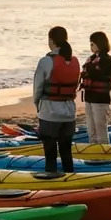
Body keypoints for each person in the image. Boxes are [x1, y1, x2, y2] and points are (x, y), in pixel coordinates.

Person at [33, 26, 80, 175]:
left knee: (50, 151)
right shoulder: (74, 60)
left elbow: (37, 88)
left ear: (51, 41)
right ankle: (70, 176)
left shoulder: (46, 61)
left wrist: (38, 106)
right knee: (66, 151)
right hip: (69, 112)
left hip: (49, 112)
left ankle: (51, 177)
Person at [79, 31, 111, 144]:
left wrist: (87, 71)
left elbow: (98, 74)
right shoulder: (91, 59)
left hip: (101, 99)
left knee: (101, 130)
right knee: (91, 130)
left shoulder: (108, 60)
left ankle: (104, 153)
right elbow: (87, 72)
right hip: (89, 98)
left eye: (92, 44)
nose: (91, 47)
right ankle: (93, 152)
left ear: (100, 44)